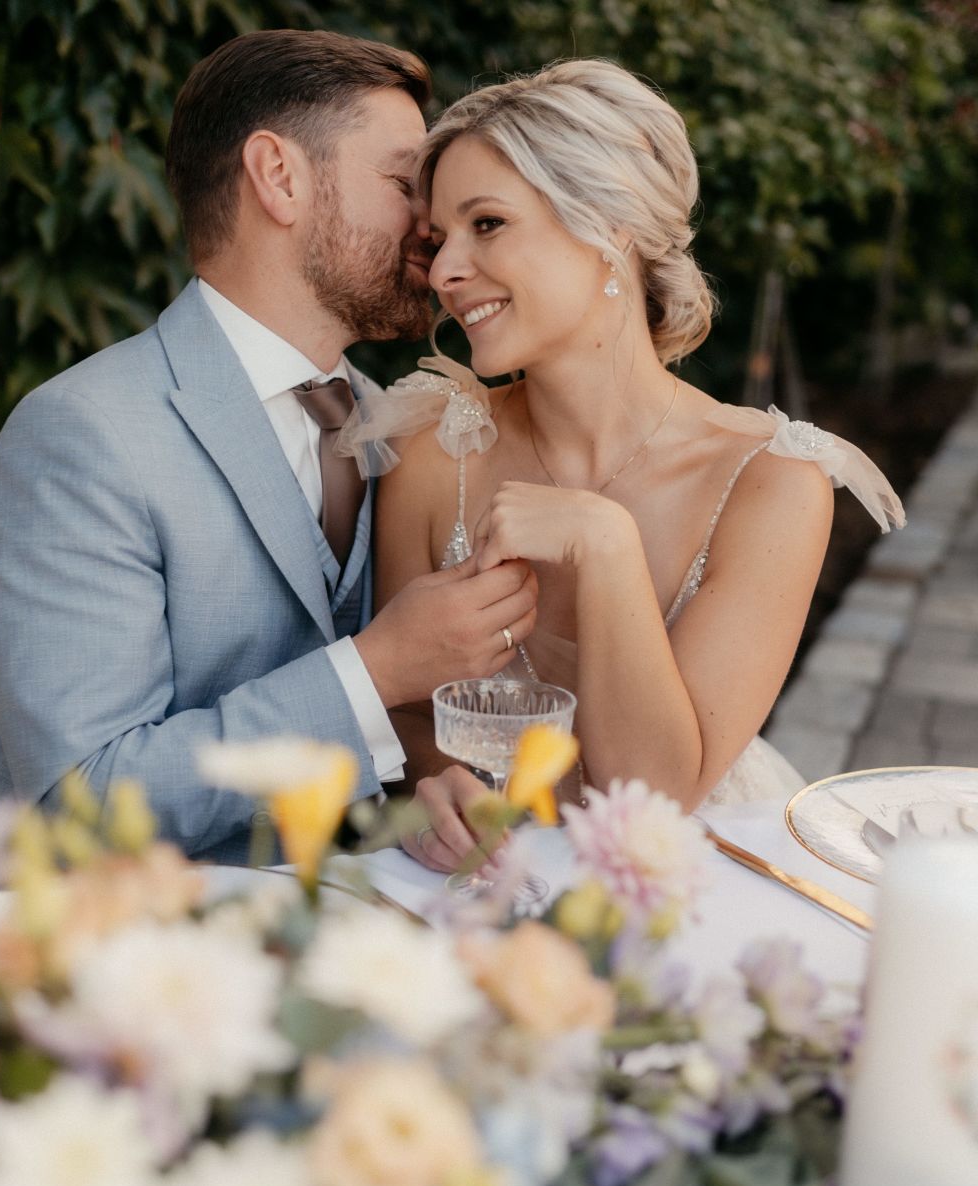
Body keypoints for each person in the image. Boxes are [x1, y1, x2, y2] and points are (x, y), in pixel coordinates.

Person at [0, 30, 539, 862]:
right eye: (405, 183)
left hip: (328, 907)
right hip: (91, 922)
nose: (434, 227)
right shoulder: (81, 436)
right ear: (279, 176)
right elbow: (84, 801)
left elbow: (356, 758)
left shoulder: (397, 427)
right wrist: (376, 671)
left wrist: (411, 796)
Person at [356, 60, 905, 872]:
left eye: (488, 224)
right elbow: (406, 713)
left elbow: (653, 795)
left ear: (611, 225)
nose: (442, 272)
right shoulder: (434, 451)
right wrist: (435, 789)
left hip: (692, 878)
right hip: (478, 885)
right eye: (439, 241)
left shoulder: (771, 485)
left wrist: (607, 545)